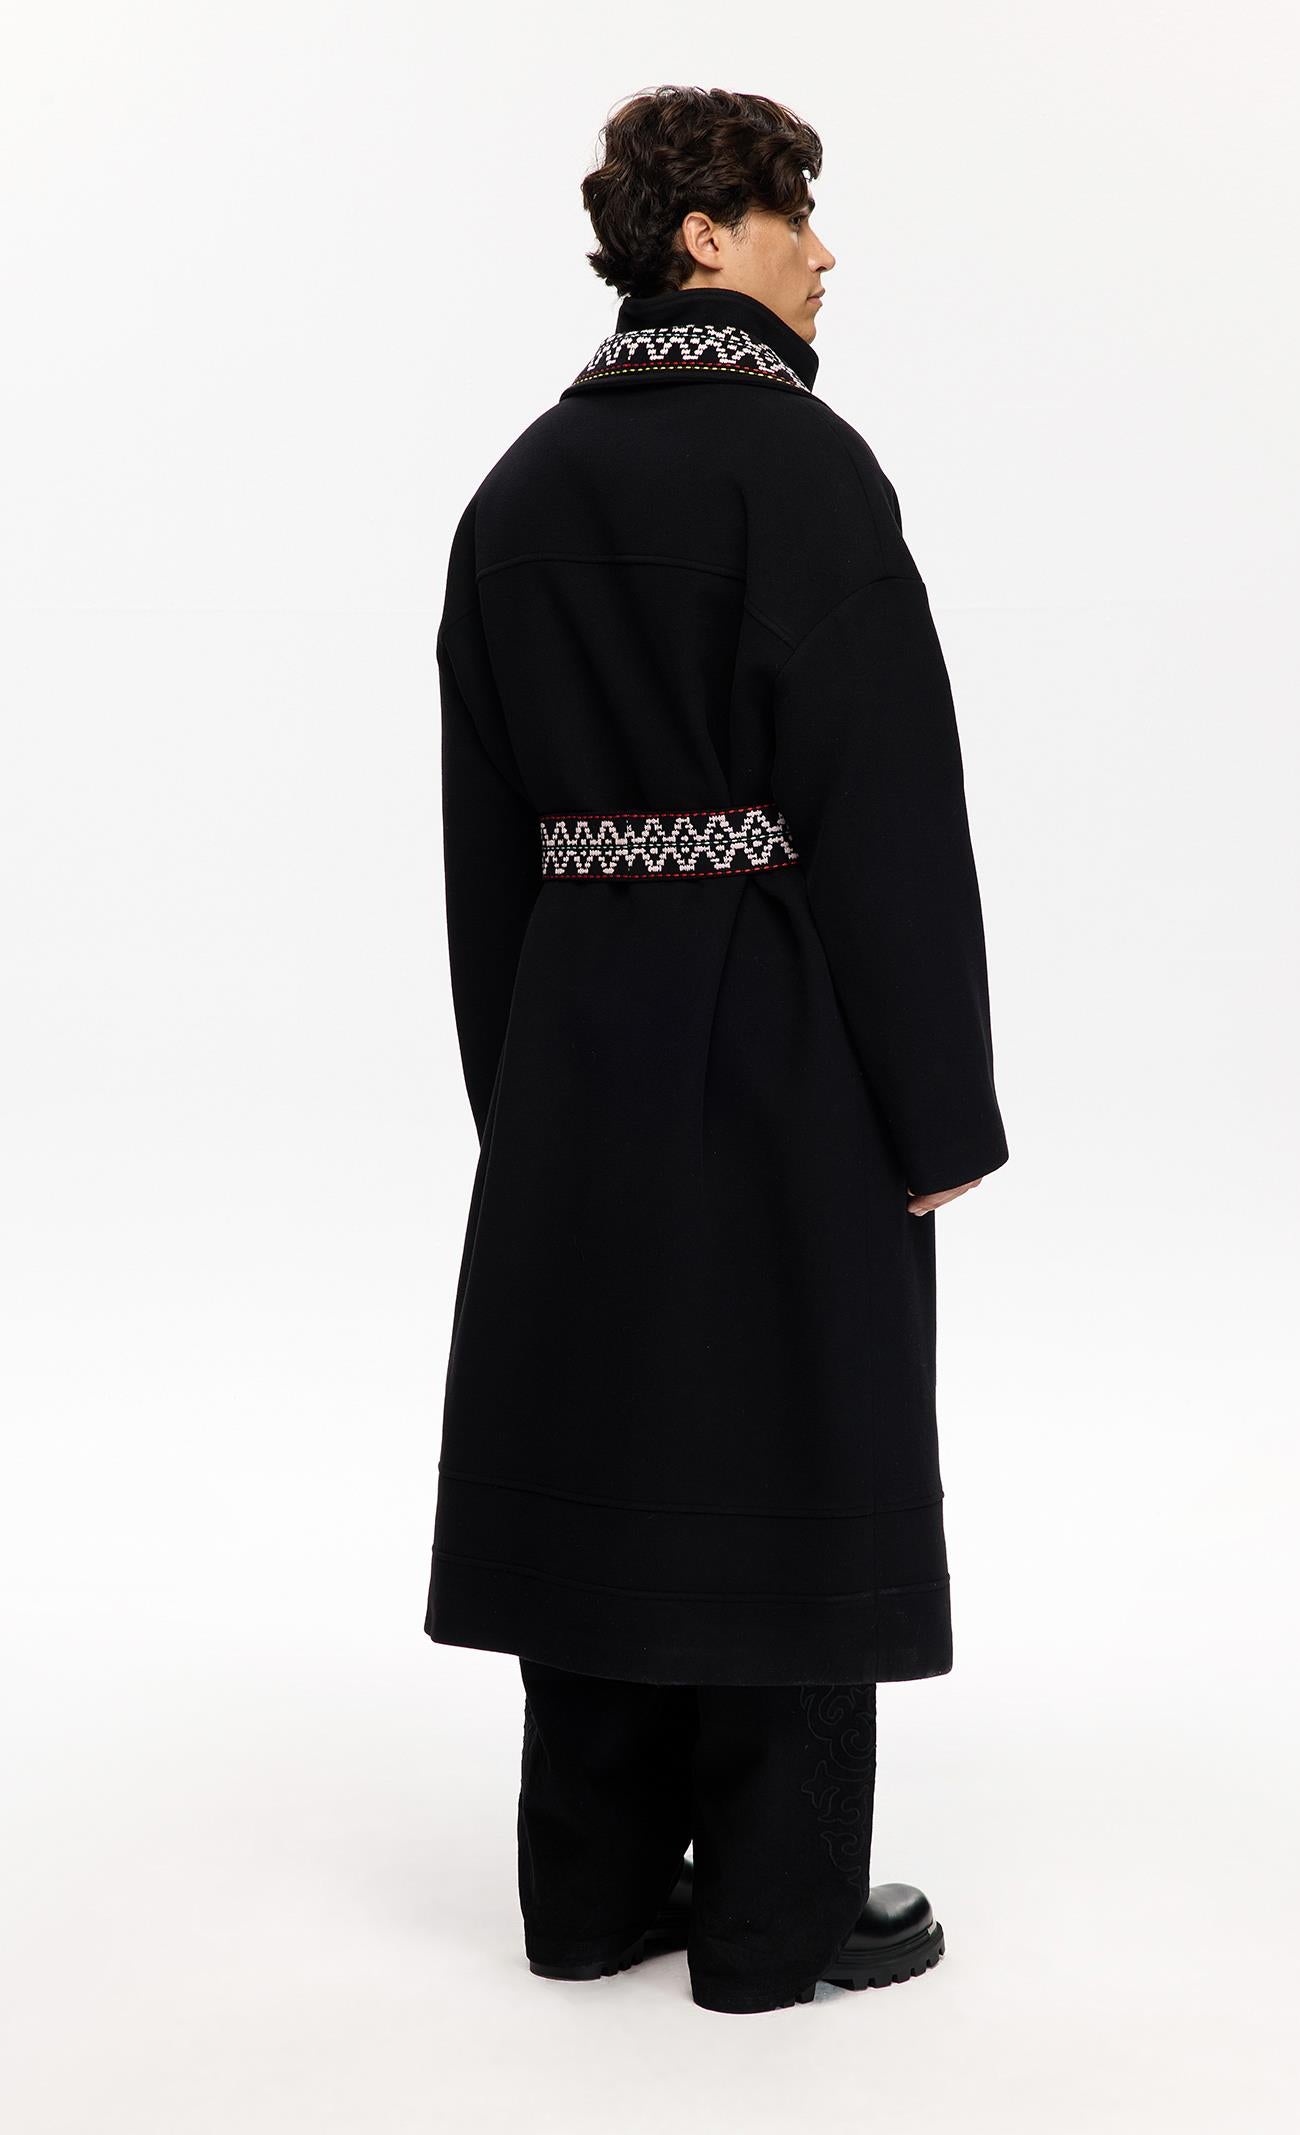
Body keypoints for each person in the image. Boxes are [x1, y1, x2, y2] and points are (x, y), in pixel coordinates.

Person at [424, 84, 1009, 2016]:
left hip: (577, 1038)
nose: (823, 254)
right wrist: (935, 1107)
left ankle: (588, 1894)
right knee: (791, 1426)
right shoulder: (800, 471)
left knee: (601, 1429)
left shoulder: (518, 488)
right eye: (793, 215)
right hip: (780, 1036)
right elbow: (884, 808)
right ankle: (775, 1918)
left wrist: (524, 1090)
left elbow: (484, 837)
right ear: (705, 237)